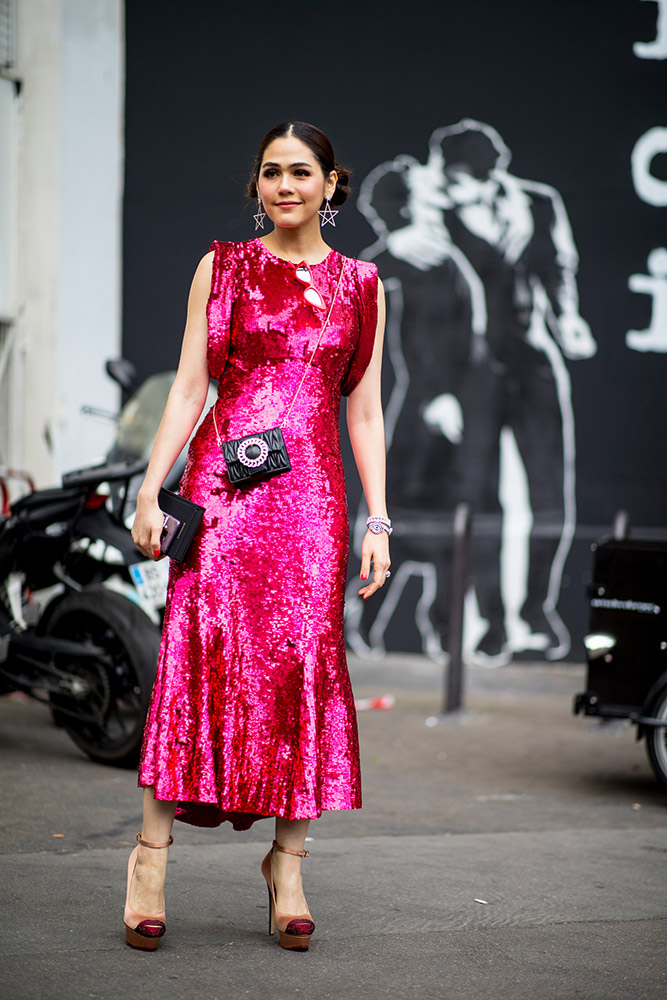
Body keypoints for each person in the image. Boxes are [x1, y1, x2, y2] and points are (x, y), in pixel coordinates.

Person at [125, 121, 389, 952]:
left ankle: (288, 863)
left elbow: (365, 409)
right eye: (270, 172)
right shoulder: (224, 266)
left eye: (300, 172)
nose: (284, 185)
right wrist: (148, 488)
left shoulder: (360, 284)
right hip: (222, 500)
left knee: (301, 666)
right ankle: (150, 860)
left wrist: (377, 518)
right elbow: (186, 390)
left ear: (331, 183)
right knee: (195, 657)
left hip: (310, 507)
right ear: (257, 184)